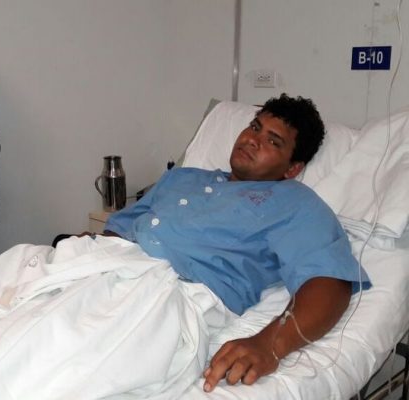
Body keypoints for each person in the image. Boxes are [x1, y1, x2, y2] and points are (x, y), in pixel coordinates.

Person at [103, 93, 369, 391]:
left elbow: (329, 282)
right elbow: (117, 230)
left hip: (164, 294)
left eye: (273, 141)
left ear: (292, 169)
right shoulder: (181, 177)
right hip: (107, 270)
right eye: (255, 127)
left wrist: (269, 345)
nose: (253, 140)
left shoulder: (295, 203)